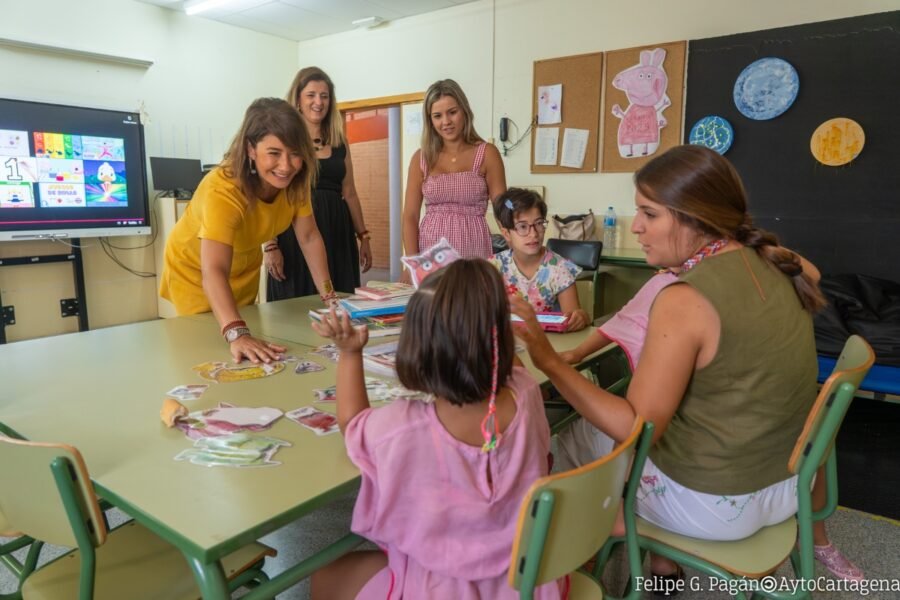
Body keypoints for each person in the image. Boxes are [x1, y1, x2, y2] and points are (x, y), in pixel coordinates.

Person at [512, 144, 827, 574]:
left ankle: (583, 556)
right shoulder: (786, 267)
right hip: (791, 483)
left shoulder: (684, 299)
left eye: (649, 213)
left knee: (569, 440)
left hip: (720, 504)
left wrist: (546, 358)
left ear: (697, 216)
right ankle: (658, 562)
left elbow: (636, 429)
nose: (636, 226)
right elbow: (812, 271)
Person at [309, 259, 563, 600]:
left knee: (323, 577)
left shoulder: (403, 427)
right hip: (528, 581)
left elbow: (352, 424)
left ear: (417, 347)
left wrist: (350, 351)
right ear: (501, 336)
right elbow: (511, 368)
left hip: (441, 590)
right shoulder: (527, 392)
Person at [160, 97, 336, 364]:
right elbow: (214, 269)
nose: (286, 165)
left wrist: (329, 297)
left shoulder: (295, 182)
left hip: (243, 266)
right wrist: (236, 332)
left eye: (295, 153)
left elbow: (309, 237)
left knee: (250, 354)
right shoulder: (223, 188)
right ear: (251, 149)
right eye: (274, 153)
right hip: (196, 271)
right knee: (209, 351)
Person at [264, 66, 371, 298]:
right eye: (311, 95)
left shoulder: (339, 141)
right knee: (294, 299)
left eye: (324, 96)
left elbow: (350, 191)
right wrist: (270, 245)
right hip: (293, 228)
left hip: (337, 230)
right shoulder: (284, 139)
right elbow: (269, 192)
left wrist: (364, 236)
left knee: (338, 298)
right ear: (298, 100)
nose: (318, 102)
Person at [401, 79, 506, 270]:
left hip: (473, 251)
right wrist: (413, 264)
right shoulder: (421, 158)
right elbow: (410, 215)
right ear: (430, 120)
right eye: (437, 116)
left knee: (473, 299)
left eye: (452, 112)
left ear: (464, 111)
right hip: (431, 256)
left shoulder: (487, 153)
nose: (446, 122)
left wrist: (521, 244)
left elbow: (503, 208)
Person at [489, 187, 589, 332]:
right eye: (522, 227)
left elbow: (573, 316)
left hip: (548, 343)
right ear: (506, 234)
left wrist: (580, 317)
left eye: (539, 224)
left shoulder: (559, 268)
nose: (533, 234)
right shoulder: (493, 267)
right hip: (506, 343)